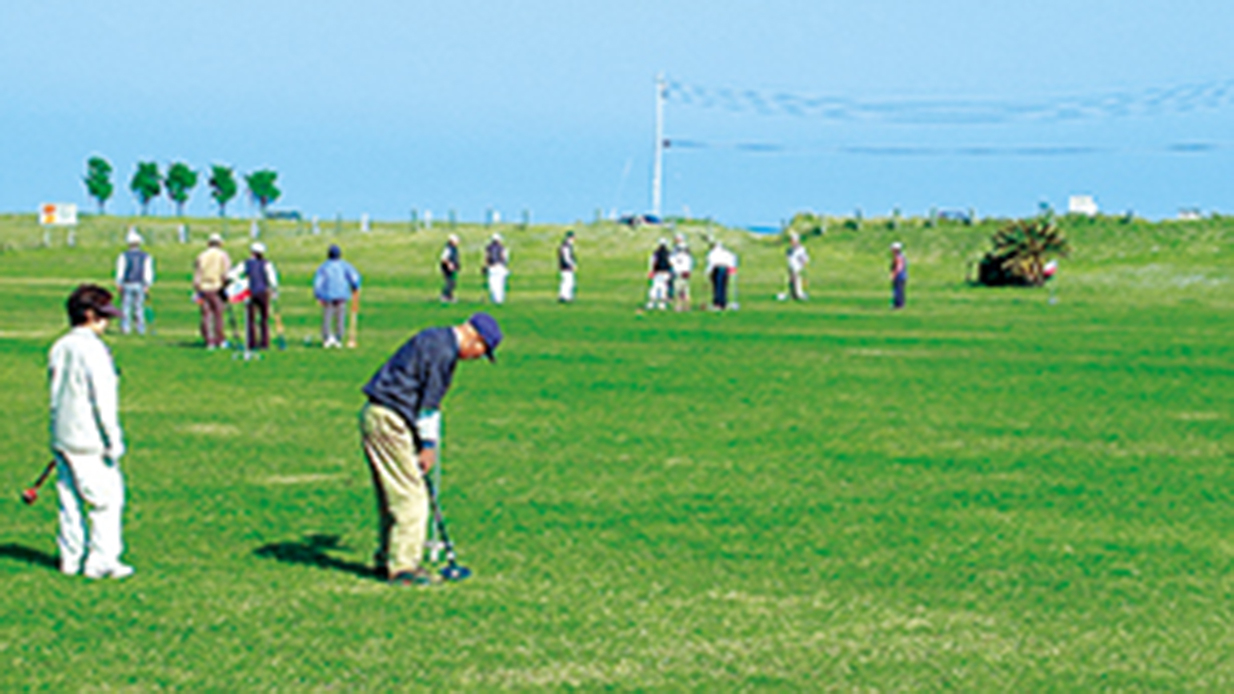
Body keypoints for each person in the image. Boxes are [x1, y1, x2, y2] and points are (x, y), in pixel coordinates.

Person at [360, 312, 503, 586]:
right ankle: (403, 567)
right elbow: (429, 405)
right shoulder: (444, 352)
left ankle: (387, 557)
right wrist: (427, 447)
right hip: (391, 418)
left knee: (392, 494)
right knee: (412, 496)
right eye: (482, 352)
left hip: (379, 414)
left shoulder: (433, 337)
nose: (476, 358)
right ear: (475, 339)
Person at [48, 284, 133, 579]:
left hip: (62, 433)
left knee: (69, 501)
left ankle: (70, 559)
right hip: (89, 438)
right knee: (106, 502)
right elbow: (103, 400)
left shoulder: (60, 346)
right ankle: (102, 561)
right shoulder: (94, 350)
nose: (106, 323)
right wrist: (114, 440)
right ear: (88, 314)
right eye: (102, 316)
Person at [313, 244, 362, 348]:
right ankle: (338, 337)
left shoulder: (324, 267)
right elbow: (354, 277)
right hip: (341, 295)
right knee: (340, 317)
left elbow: (318, 282)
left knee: (327, 317)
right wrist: (355, 286)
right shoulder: (344, 265)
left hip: (327, 295)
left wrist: (318, 295)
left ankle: (327, 338)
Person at [193, 233, 231, 349]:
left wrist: (197, 288)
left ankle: (209, 340)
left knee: (206, 315)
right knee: (218, 315)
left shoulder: (201, 256)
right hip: (217, 287)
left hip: (204, 288)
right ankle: (219, 339)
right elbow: (225, 273)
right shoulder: (222, 256)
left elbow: (197, 273)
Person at [114, 227, 154, 335]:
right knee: (138, 307)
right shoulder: (145, 256)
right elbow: (148, 271)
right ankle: (140, 328)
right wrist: (147, 284)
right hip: (140, 283)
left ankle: (126, 328)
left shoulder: (123, 256)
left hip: (127, 283)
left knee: (126, 307)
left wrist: (118, 282)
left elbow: (120, 270)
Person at [243, 242, 279, 350]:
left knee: (251, 319)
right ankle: (264, 342)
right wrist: (274, 290)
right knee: (264, 319)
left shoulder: (246, 263)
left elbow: (234, 274)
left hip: (251, 293)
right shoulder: (267, 264)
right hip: (264, 293)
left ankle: (252, 342)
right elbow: (272, 280)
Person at [705, 239, 737, 310]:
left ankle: (718, 304)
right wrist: (732, 268)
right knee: (723, 286)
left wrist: (707, 271)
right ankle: (723, 303)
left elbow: (711, 263)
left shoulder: (713, 253)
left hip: (717, 269)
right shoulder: (727, 252)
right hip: (725, 270)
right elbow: (733, 258)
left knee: (717, 287)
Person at [669, 233, 693, 312]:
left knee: (679, 290)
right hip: (686, 271)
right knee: (685, 290)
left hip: (679, 271)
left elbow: (672, 261)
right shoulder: (687, 250)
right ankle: (687, 306)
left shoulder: (676, 249)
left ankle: (679, 306)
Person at [483, 233, 509, 305]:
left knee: (493, 284)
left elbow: (486, 258)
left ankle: (494, 298)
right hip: (500, 267)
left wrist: (486, 266)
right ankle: (499, 299)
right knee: (500, 284)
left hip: (491, 267)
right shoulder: (502, 248)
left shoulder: (488, 248)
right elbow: (505, 258)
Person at [646, 238, 672, 310]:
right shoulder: (668, 253)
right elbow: (671, 263)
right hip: (665, 272)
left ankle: (651, 303)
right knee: (663, 287)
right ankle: (662, 304)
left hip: (657, 272)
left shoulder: (656, 253)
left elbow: (652, 262)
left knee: (655, 287)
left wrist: (651, 271)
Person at [786, 232, 810, 301]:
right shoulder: (791, 249)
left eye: (793, 240)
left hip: (797, 268)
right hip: (791, 267)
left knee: (797, 281)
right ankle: (793, 295)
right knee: (791, 281)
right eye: (791, 240)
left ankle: (799, 295)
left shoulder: (800, 249)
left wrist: (803, 264)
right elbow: (789, 257)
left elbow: (804, 258)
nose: (791, 242)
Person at [557, 230, 577, 303]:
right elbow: (567, 257)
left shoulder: (566, 245)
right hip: (566, 266)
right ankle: (565, 296)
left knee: (567, 281)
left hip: (564, 266)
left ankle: (565, 296)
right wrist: (572, 265)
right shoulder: (566, 246)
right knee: (569, 282)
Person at [440, 235, 460, 303]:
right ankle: (445, 296)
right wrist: (449, 264)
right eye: (456, 241)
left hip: (453, 268)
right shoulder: (448, 248)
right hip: (447, 268)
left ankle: (449, 296)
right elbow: (444, 259)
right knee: (450, 282)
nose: (458, 242)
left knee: (453, 283)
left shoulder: (454, 248)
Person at [890, 241, 908, 310]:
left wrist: (894, 274)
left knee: (898, 290)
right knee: (900, 290)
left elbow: (899, 267)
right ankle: (900, 304)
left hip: (899, 276)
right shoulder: (901, 256)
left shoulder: (898, 257)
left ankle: (898, 305)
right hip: (902, 276)